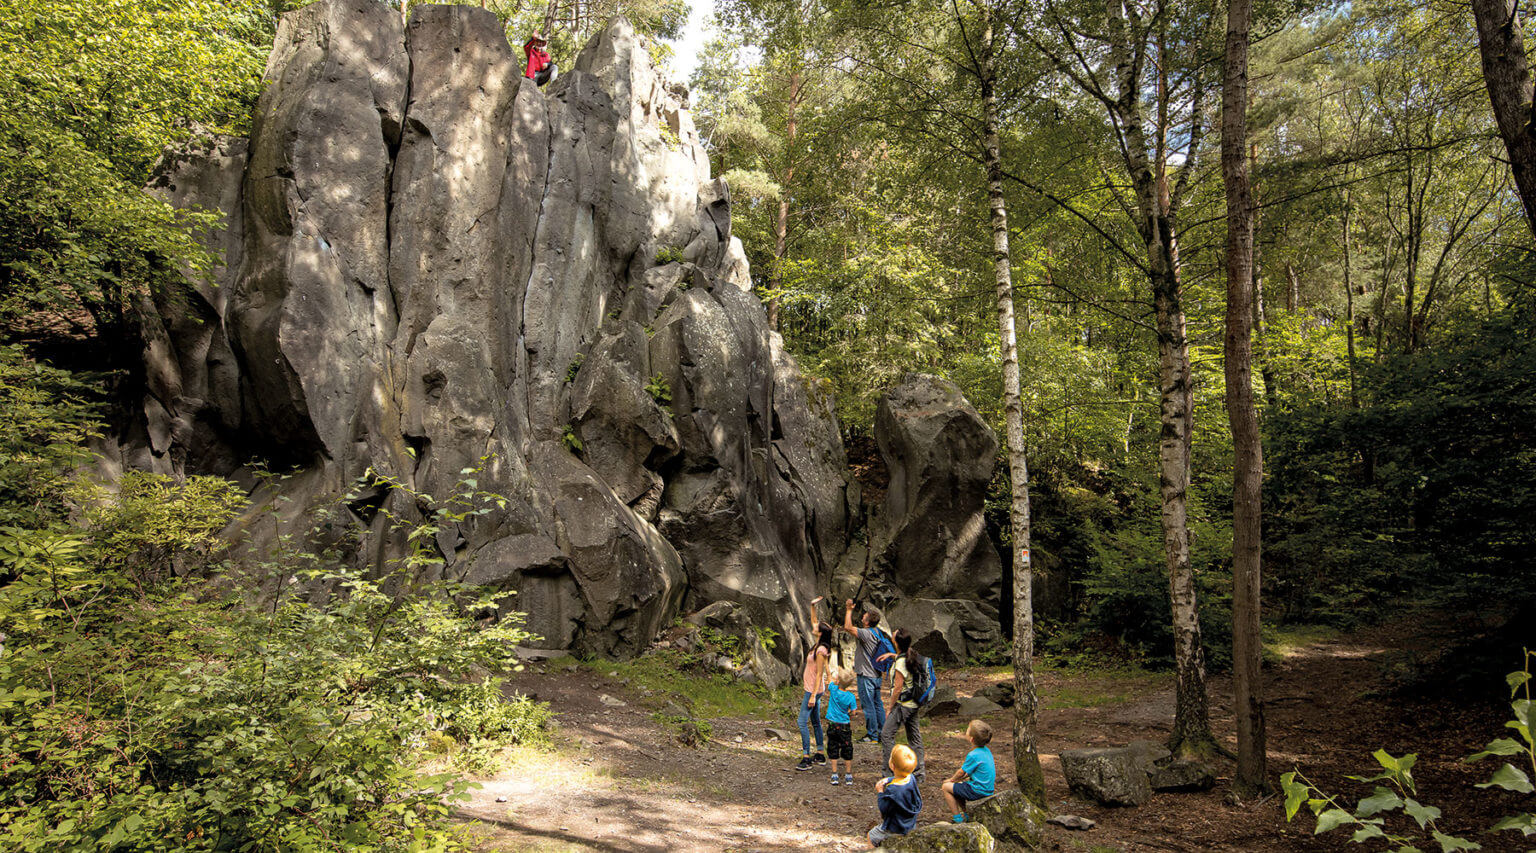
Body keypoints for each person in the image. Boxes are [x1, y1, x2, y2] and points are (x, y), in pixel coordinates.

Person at [879, 629, 926, 784]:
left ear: (897, 643)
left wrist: (889, 707)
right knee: (914, 736)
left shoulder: (901, 663)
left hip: (903, 705)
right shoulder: (910, 654)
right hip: (914, 703)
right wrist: (892, 656)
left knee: (886, 734)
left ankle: (890, 772)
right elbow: (902, 659)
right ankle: (919, 774)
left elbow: (898, 688)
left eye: (894, 634)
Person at [843, 599, 889, 743]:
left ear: (867, 622)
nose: (862, 616)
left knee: (868, 706)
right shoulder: (877, 632)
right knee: (878, 704)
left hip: (866, 675)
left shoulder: (866, 633)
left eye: (864, 616)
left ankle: (872, 736)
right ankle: (882, 733)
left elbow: (848, 627)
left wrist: (849, 610)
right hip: (876, 675)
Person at [795, 596, 833, 771]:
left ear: (821, 633)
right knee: (816, 721)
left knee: (802, 722)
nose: (814, 627)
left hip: (813, 689)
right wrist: (812, 606)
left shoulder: (821, 651)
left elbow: (819, 674)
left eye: (817, 628)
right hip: (814, 689)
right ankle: (820, 753)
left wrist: (812, 695)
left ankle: (806, 757)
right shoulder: (818, 643)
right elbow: (814, 620)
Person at [941, 720, 996, 822]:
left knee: (946, 787)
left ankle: (957, 818)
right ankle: (967, 814)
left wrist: (951, 780)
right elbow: (971, 772)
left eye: (968, 730)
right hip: (988, 789)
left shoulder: (973, 755)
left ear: (971, 739)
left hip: (978, 791)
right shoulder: (986, 751)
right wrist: (957, 781)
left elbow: (961, 772)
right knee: (959, 785)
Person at [868, 744, 922, 847]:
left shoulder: (893, 790)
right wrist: (889, 779)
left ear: (892, 765)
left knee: (871, 836)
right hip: (910, 823)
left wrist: (880, 792)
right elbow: (901, 777)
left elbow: (884, 809)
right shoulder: (911, 777)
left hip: (896, 827)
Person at [825, 667, 859, 786]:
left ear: (838, 681)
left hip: (833, 725)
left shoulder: (833, 690)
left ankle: (834, 774)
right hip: (845, 725)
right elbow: (854, 712)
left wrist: (830, 673)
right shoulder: (850, 697)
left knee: (833, 747)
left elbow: (829, 679)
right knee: (847, 748)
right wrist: (849, 713)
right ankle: (848, 774)